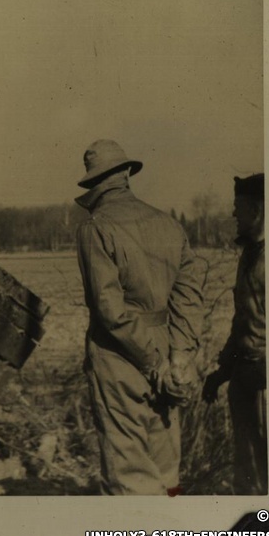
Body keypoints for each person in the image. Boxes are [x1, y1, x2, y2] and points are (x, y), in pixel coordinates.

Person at [75, 139, 204, 495]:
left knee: (127, 470)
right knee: (166, 467)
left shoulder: (95, 227)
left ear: (93, 183)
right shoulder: (168, 224)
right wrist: (179, 359)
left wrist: (152, 363)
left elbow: (110, 310)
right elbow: (189, 297)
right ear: (127, 173)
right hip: (166, 348)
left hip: (121, 357)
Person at [202, 174, 266, 495]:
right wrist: (222, 373)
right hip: (246, 380)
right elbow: (243, 321)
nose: (233, 215)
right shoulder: (249, 255)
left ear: (257, 209)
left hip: (267, 384)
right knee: (249, 475)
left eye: (238, 208)